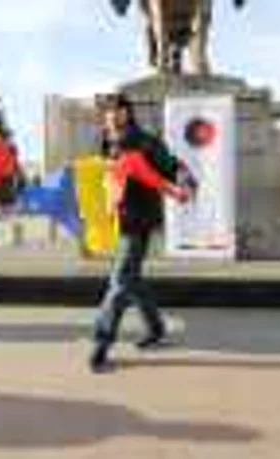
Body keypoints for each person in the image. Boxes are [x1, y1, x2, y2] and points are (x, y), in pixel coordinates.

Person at [90, 93, 193, 373]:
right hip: (117, 221)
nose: (111, 116)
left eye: (116, 111)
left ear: (127, 113)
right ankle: (156, 328)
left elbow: (170, 164)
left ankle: (101, 342)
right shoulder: (107, 142)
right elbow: (106, 177)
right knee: (132, 279)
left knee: (120, 280)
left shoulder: (145, 141)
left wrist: (185, 180)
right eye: (107, 112)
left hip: (139, 219)